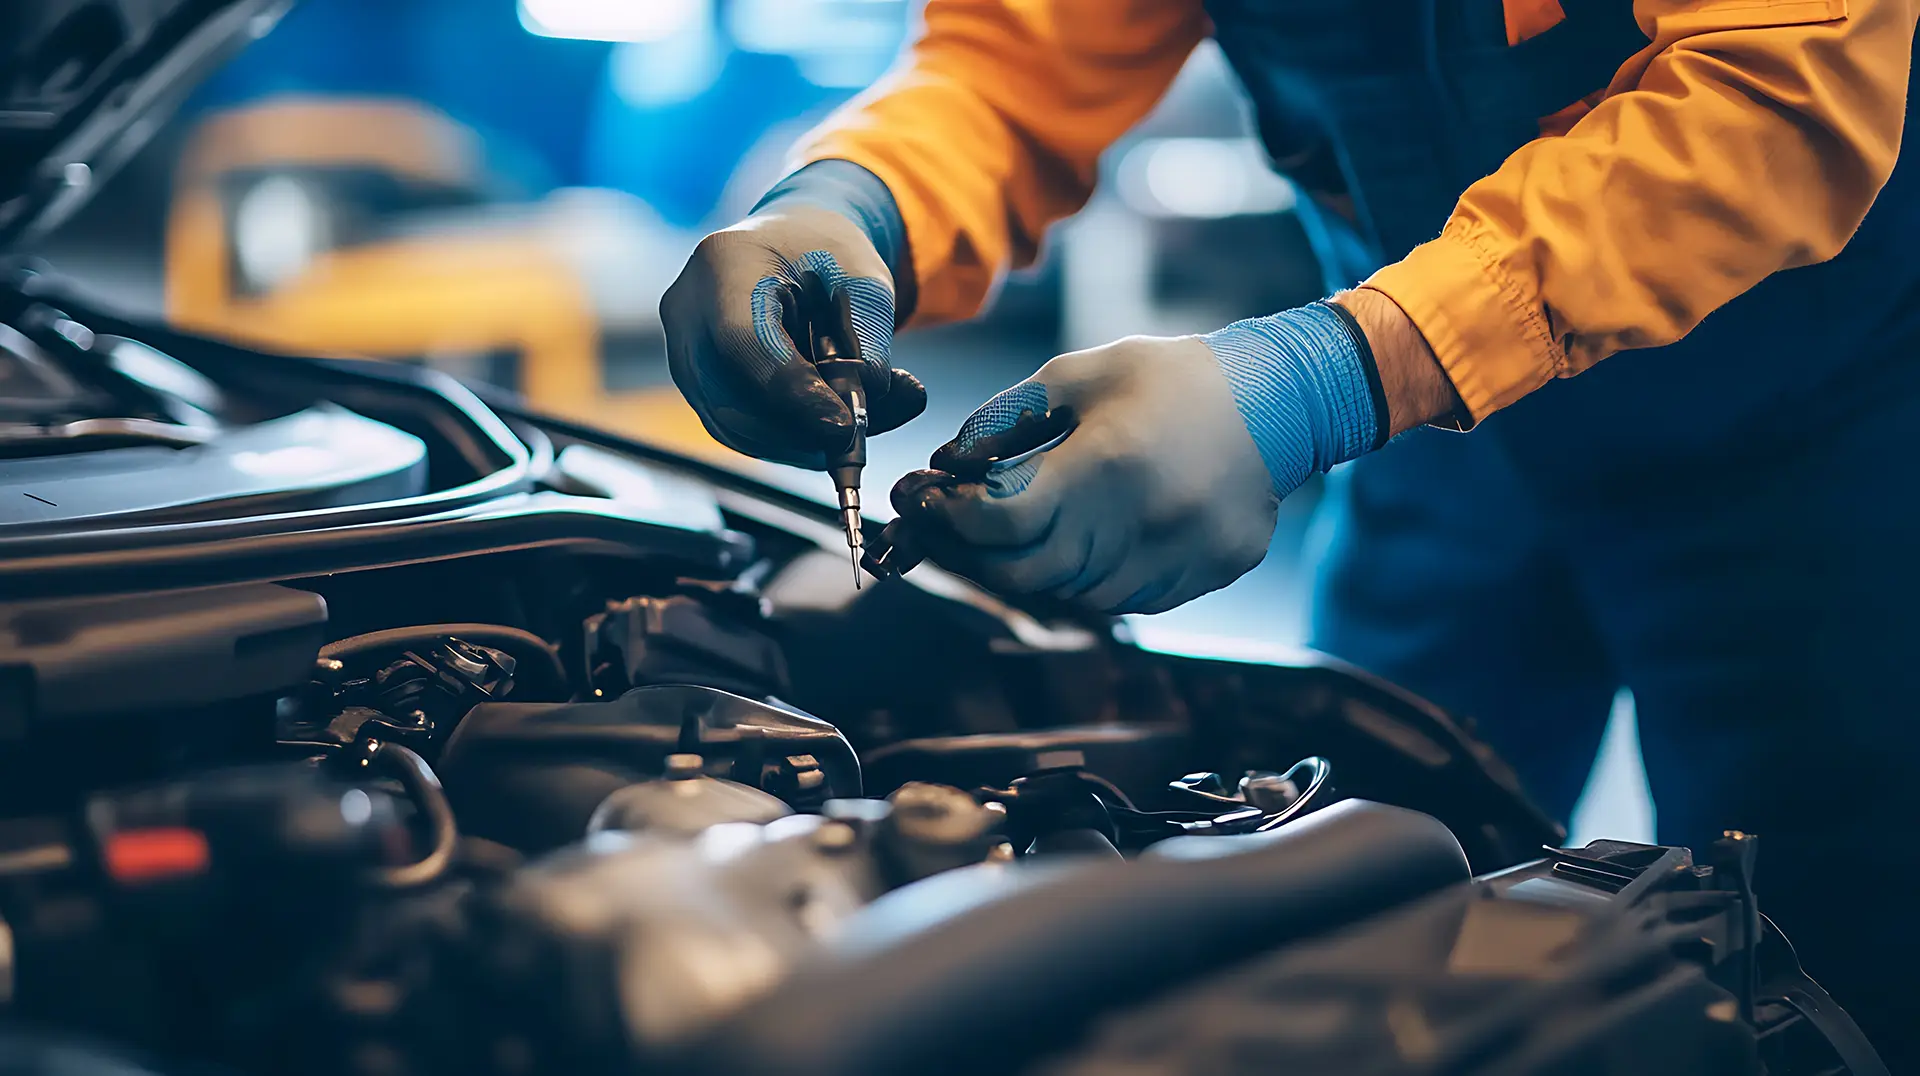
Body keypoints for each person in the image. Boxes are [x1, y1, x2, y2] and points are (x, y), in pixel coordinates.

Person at [661, 0, 1920, 1062]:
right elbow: (1018, 54)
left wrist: (1335, 373)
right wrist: (847, 200)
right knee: (1351, 878)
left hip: (1810, 442)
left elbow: (1778, 83)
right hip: (1451, 443)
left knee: (1823, 970)